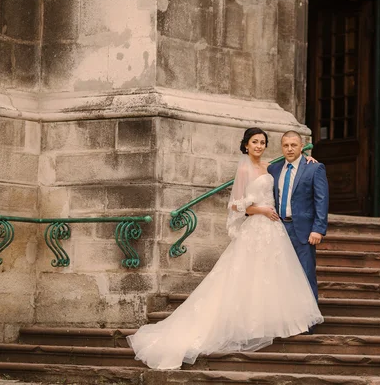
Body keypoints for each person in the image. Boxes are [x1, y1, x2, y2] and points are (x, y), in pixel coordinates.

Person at [127, 127, 323, 370]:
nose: (259, 146)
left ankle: (275, 322)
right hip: (258, 227)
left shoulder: (272, 167)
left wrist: (308, 160)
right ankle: (245, 325)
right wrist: (260, 210)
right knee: (247, 278)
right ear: (246, 145)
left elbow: (295, 174)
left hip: (275, 231)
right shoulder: (244, 169)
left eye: (263, 142)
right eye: (255, 142)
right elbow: (235, 205)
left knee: (273, 278)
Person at [265, 131, 329, 303]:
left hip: (303, 230)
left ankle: (309, 322)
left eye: (294, 145)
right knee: (280, 275)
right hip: (279, 228)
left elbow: (321, 200)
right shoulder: (274, 169)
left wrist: (318, 229)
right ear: (281, 147)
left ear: (302, 146)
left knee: (306, 274)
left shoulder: (314, 168)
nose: (290, 149)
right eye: (286, 145)